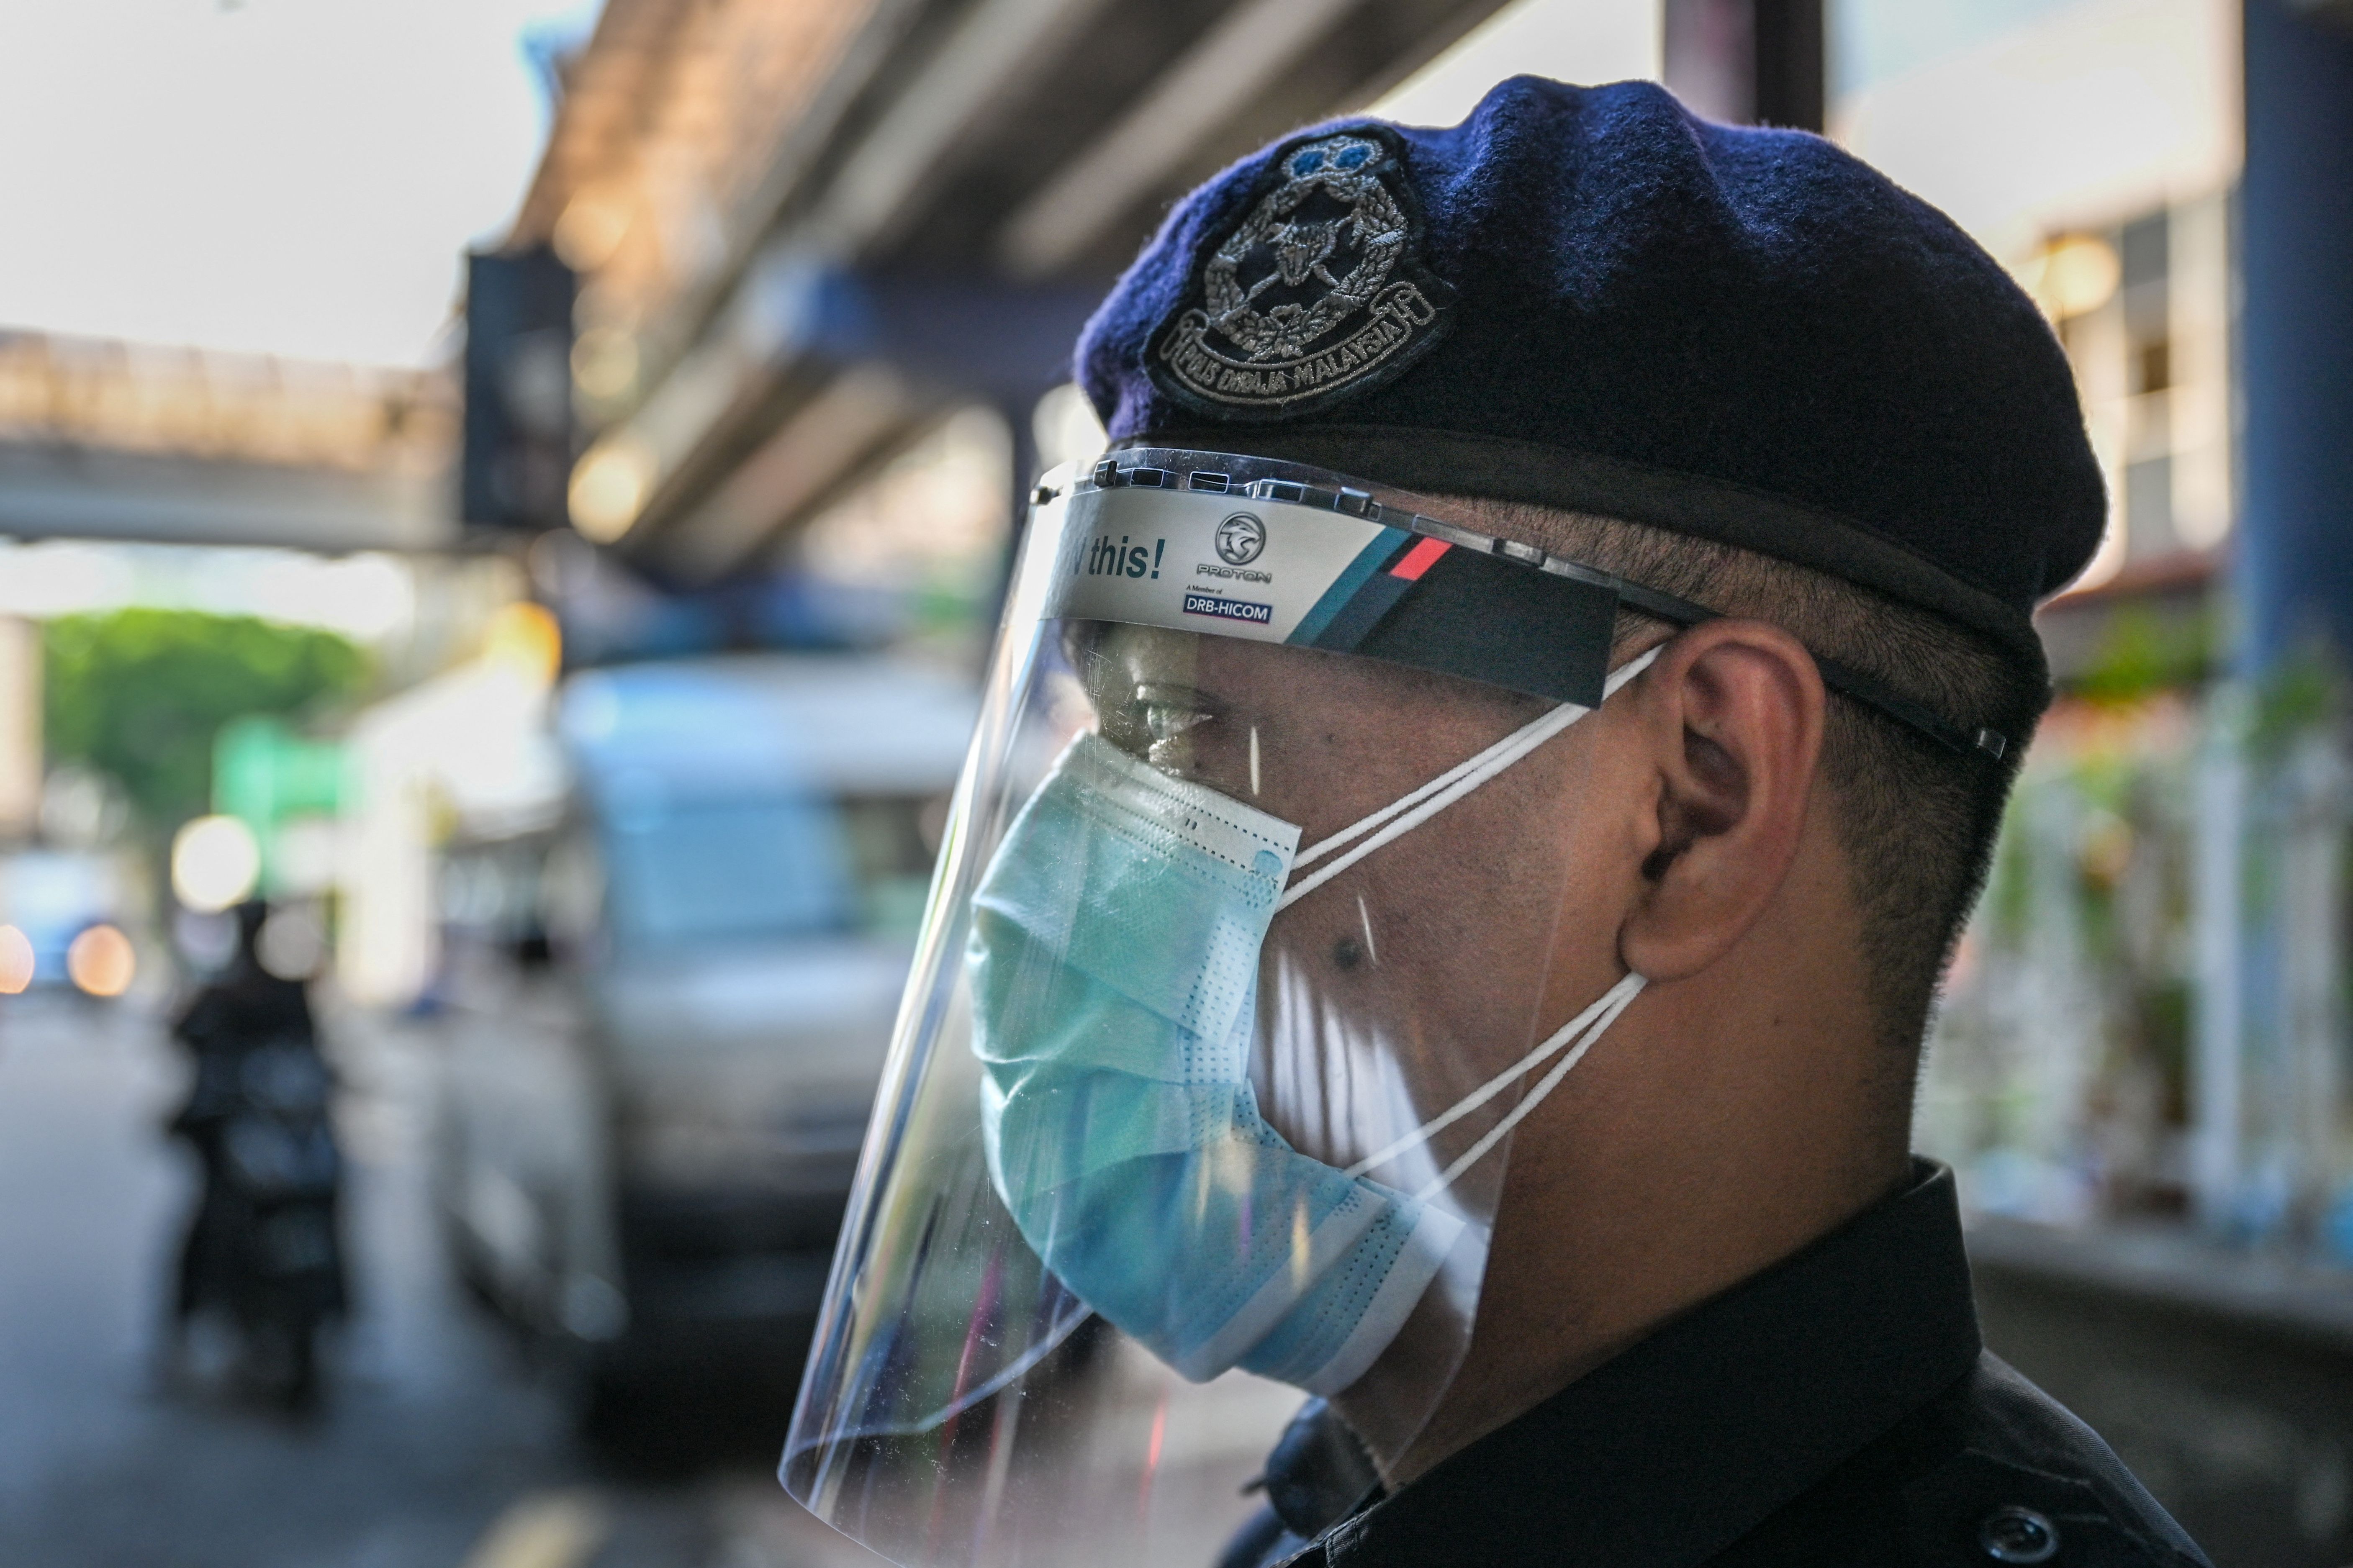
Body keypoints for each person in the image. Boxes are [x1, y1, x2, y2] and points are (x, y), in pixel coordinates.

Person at [780, 78, 2211, 1568]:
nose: (1064, 860)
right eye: (1106, 728)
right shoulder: (1321, 1513)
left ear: (1692, 802)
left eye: (1191, 730)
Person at [166, 899, 345, 1405]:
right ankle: (183, 1323)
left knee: (335, 1203)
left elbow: (315, 1056)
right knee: (209, 1218)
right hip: (234, 1135)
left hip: (284, 1133)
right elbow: (185, 1041)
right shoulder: (218, 993)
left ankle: (341, 1315)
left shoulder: (286, 991)